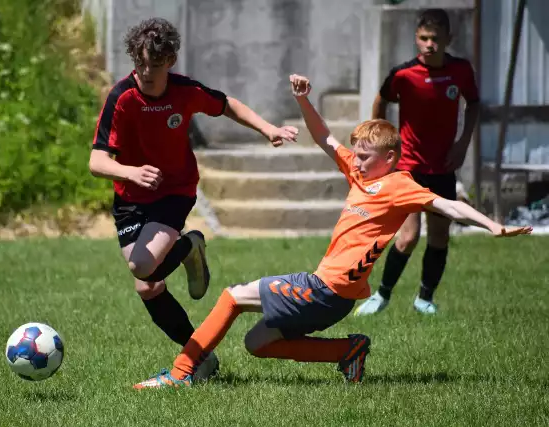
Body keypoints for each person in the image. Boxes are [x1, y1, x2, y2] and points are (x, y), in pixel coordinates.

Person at [132, 74, 531, 389]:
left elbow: (447, 204)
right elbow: (324, 137)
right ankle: (348, 350)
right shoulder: (360, 175)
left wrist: (490, 223)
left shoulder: (399, 185)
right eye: (355, 155)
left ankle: (181, 373)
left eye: (364, 157)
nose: (355, 162)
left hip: (326, 288)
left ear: (389, 159)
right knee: (257, 344)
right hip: (339, 297)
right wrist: (304, 99)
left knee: (232, 297)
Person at [89, 17, 298, 380]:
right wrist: (130, 172)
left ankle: (187, 248)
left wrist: (268, 129)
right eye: (139, 65)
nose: (146, 73)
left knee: (142, 266)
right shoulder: (121, 97)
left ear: (170, 61)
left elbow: (226, 104)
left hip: (175, 190)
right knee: (147, 285)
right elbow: (96, 160)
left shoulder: (185, 91)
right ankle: (200, 357)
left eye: (154, 66)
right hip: (130, 199)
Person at [356, 9, 481, 315]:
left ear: (448, 39)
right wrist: (381, 137)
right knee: (408, 236)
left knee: (439, 235)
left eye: (436, 38)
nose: (429, 44)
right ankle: (381, 296)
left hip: (443, 167)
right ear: (416, 38)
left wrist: (463, 144)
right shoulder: (403, 75)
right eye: (424, 38)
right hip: (409, 167)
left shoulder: (461, 71)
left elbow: (474, 103)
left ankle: (425, 298)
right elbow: (381, 98)